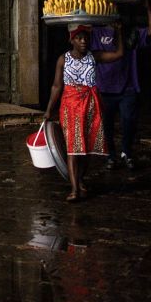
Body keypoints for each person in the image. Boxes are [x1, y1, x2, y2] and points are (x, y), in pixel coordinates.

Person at [44, 23, 124, 202]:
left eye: (86, 38)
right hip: (70, 106)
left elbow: (119, 54)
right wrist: (49, 109)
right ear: (71, 40)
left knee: (86, 149)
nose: (83, 41)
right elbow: (57, 86)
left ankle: (79, 180)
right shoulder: (63, 60)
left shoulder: (94, 57)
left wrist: (118, 31)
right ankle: (74, 189)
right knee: (73, 148)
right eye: (79, 38)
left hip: (90, 106)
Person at [92, 0, 151, 170]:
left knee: (129, 121)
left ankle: (127, 152)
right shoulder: (95, 33)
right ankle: (110, 155)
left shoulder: (131, 33)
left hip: (127, 86)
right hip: (104, 88)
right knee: (106, 125)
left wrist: (148, 8)